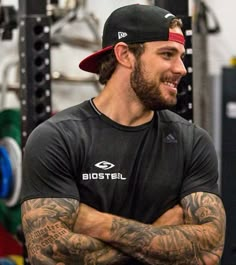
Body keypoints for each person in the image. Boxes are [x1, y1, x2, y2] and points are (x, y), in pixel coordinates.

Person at [20, 3, 226, 265]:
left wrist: (100, 224)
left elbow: (208, 252)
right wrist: (162, 235)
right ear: (125, 55)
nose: (181, 68)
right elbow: (48, 253)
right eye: (167, 54)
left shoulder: (192, 142)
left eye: (181, 56)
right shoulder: (57, 138)